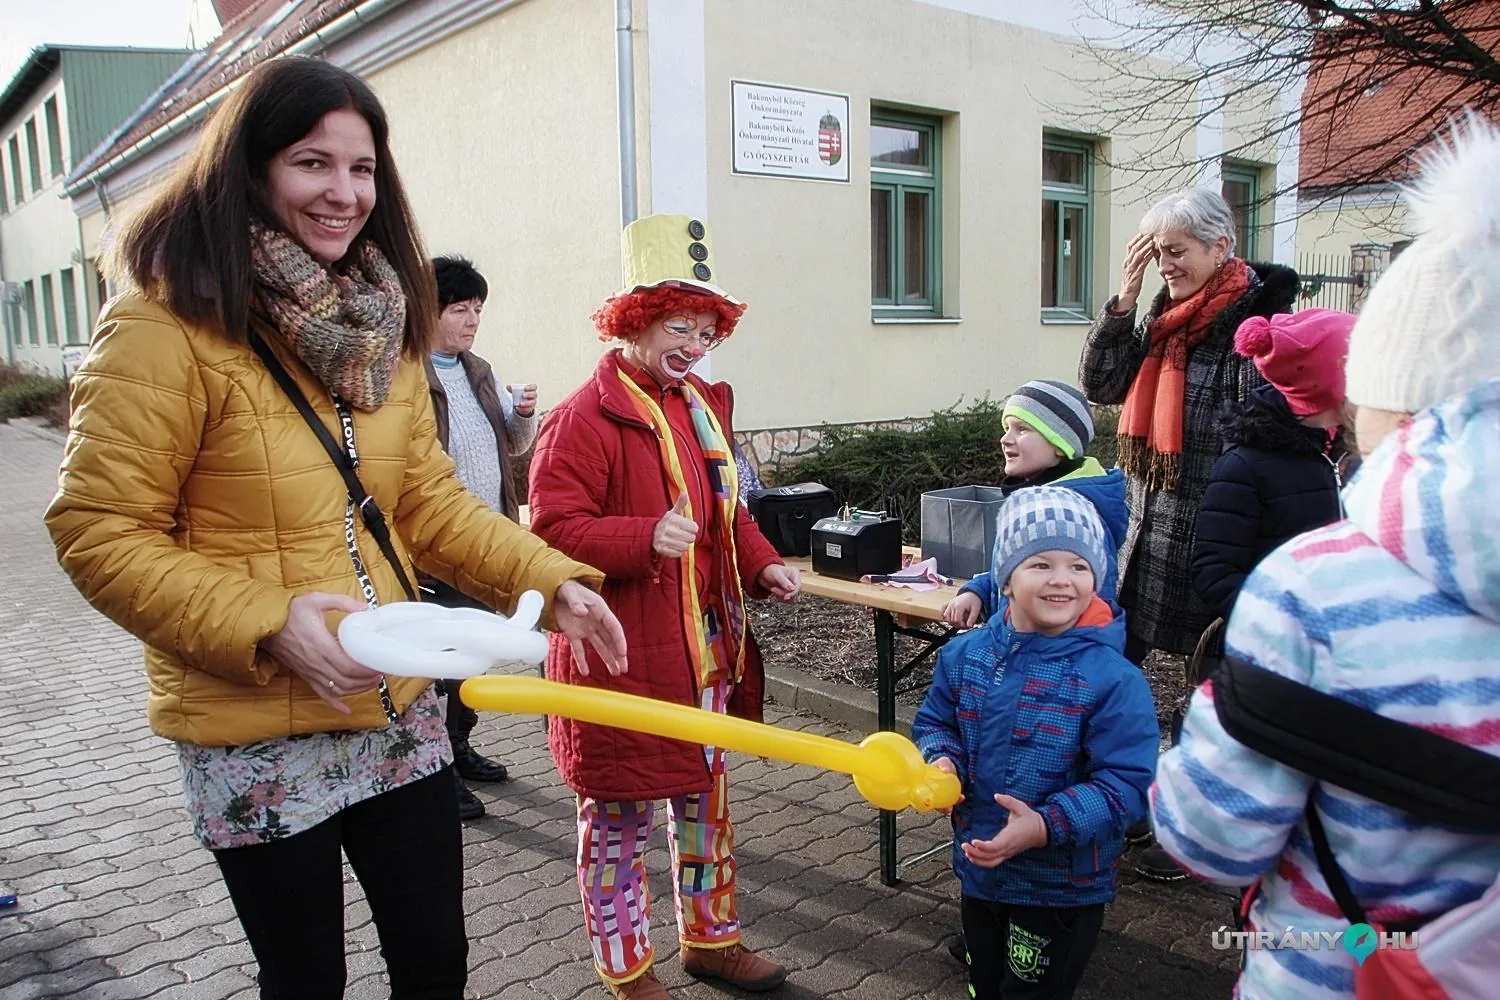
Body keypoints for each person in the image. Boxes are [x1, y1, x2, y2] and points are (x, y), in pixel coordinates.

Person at [42, 57, 626, 1000]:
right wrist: (268, 621)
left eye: (362, 169)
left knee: (436, 963)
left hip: (393, 702)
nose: (343, 193)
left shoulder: (385, 317)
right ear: (248, 167)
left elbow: (427, 502)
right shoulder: (163, 322)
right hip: (253, 719)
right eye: (312, 162)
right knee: (305, 978)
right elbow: (98, 530)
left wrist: (551, 580)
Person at [1150, 115, 1500, 1000]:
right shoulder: (1176, 335)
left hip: (1334, 972)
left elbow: (1208, 836)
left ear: (1383, 394)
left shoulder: (1317, 589)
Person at [528, 214, 802, 1000]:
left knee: (706, 808)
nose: (694, 344)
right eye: (680, 326)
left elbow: (731, 511)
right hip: (618, 660)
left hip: (704, 655)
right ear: (636, 323)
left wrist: (764, 564)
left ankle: (711, 941)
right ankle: (627, 971)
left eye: (706, 330)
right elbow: (548, 532)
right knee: (616, 829)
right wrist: (642, 536)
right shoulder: (582, 418)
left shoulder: (700, 406)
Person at [1078, 187, 1298, 880]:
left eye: (1176, 251)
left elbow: (1265, 429)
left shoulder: (1256, 325)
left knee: (1203, 699)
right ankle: (1124, 809)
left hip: (1215, 539)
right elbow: (1102, 383)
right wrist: (1124, 299)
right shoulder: (1166, 319)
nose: (1165, 263)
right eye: (1156, 250)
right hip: (1144, 537)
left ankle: (1188, 834)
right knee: (1113, 677)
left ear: (1219, 247)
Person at [913, 486, 1159, 1000]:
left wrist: (1046, 826)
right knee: (984, 984)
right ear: (1005, 578)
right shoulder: (966, 658)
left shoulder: (1113, 680)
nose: (1062, 580)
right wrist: (942, 761)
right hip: (978, 871)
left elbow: (1127, 785)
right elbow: (937, 723)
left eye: (1079, 566)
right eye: (1041, 563)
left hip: (1060, 889)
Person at [423, 254, 538, 820]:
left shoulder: (478, 370)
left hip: (488, 537)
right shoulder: (404, 376)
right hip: (436, 546)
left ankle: (460, 748)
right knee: (442, 661)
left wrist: (522, 416)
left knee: (475, 655)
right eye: (459, 309)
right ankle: (438, 771)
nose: (471, 321)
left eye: (477, 310)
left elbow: (510, 450)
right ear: (427, 309)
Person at [1190, 308, 1355, 624]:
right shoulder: (1245, 466)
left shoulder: (1361, 453)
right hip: (1282, 648)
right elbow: (1215, 575)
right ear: (1328, 384)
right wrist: (1291, 620)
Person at [942, 379, 1126, 627]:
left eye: (1022, 429)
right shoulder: (1036, 503)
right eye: (1006, 427)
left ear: (1060, 444)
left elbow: (1086, 617)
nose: (1005, 439)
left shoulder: (1068, 520)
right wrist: (978, 592)